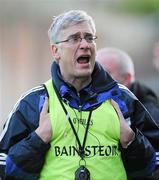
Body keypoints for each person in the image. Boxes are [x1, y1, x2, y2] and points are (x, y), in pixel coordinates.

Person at [0, 10, 158, 180]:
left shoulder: (123, 99)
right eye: (74, 38)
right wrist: (38, 140)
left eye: (89, 38)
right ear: (55, 51)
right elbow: (5, 168)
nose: (85, 44)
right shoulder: (33, 102)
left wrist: (132, 142)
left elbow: (153, 166)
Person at [96, 47, 159, 179]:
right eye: (94, 71)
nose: (95, 78)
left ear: (126, 79)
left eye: (105, 72)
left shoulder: (150, 115)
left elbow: (153, 167)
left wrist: (131, 141)